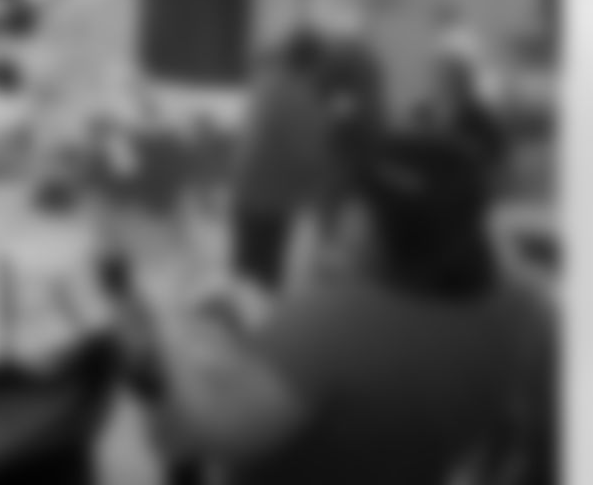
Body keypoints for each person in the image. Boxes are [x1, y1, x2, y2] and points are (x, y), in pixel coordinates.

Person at [119, 128, 557, 485]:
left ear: (374, 221)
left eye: (353, 204)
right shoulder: (521, 309)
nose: (342, 217)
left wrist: (166, 314)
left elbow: (219, 431)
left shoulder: (336, 322)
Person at [229, 28, 340, 292]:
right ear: (314, 63)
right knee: (264, 274)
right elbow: (310, 154)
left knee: (243, 269)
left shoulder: (267, 81)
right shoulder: (301, 95)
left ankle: (241, 306)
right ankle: (258, 311)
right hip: (271, 198)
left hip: (246, 189)